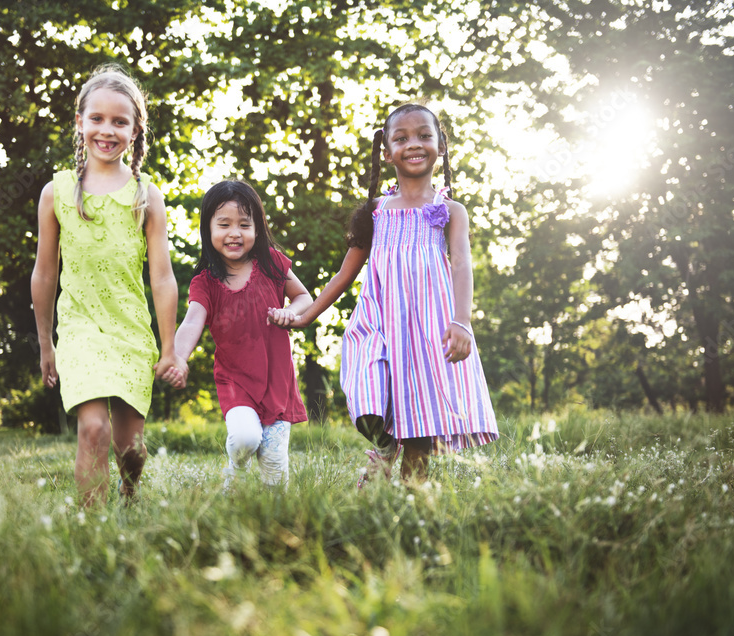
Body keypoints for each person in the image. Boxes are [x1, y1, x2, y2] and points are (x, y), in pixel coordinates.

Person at [274, 103, 498, 486]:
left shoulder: (451, 211)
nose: (414, 144)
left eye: (424, 135)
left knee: (419, 435)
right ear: (387, 151)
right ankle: (383, 446)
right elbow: (345, 274)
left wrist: (462, 321)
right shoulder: (375, 213)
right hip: (379, 324)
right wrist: (305, 315)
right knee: (365, 399)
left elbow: (461, 264)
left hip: (430, 332)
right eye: (401, 138)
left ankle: (412, 507)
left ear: (440, 145)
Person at [31, 64, 183, 507]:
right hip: (79, 329)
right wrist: (47, 345)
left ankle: (130, 490)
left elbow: (162, 276)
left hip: (131, 332)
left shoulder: (146, 196)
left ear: (136, 130)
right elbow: (45, 273)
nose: (107, 130)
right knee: (93, 428)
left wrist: (169, 346)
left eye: (120, 121)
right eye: (97, 118)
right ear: (79, 122)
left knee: (129, 448)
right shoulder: (55, 192)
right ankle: (90, 527)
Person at [161, 180, 311, 488]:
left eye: (245, 224)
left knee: (275, 477)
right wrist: (176, 358)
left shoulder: (272, 263)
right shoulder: (205, 282)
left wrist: (290, 313)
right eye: (224, 224)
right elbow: (192, 322)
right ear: (209, 229)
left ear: (257, 229)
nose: (235, 233)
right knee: (245, 438)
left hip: (277, 383)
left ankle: (267, 524)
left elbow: (305, 298)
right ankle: (235, 471)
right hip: (236, 382)